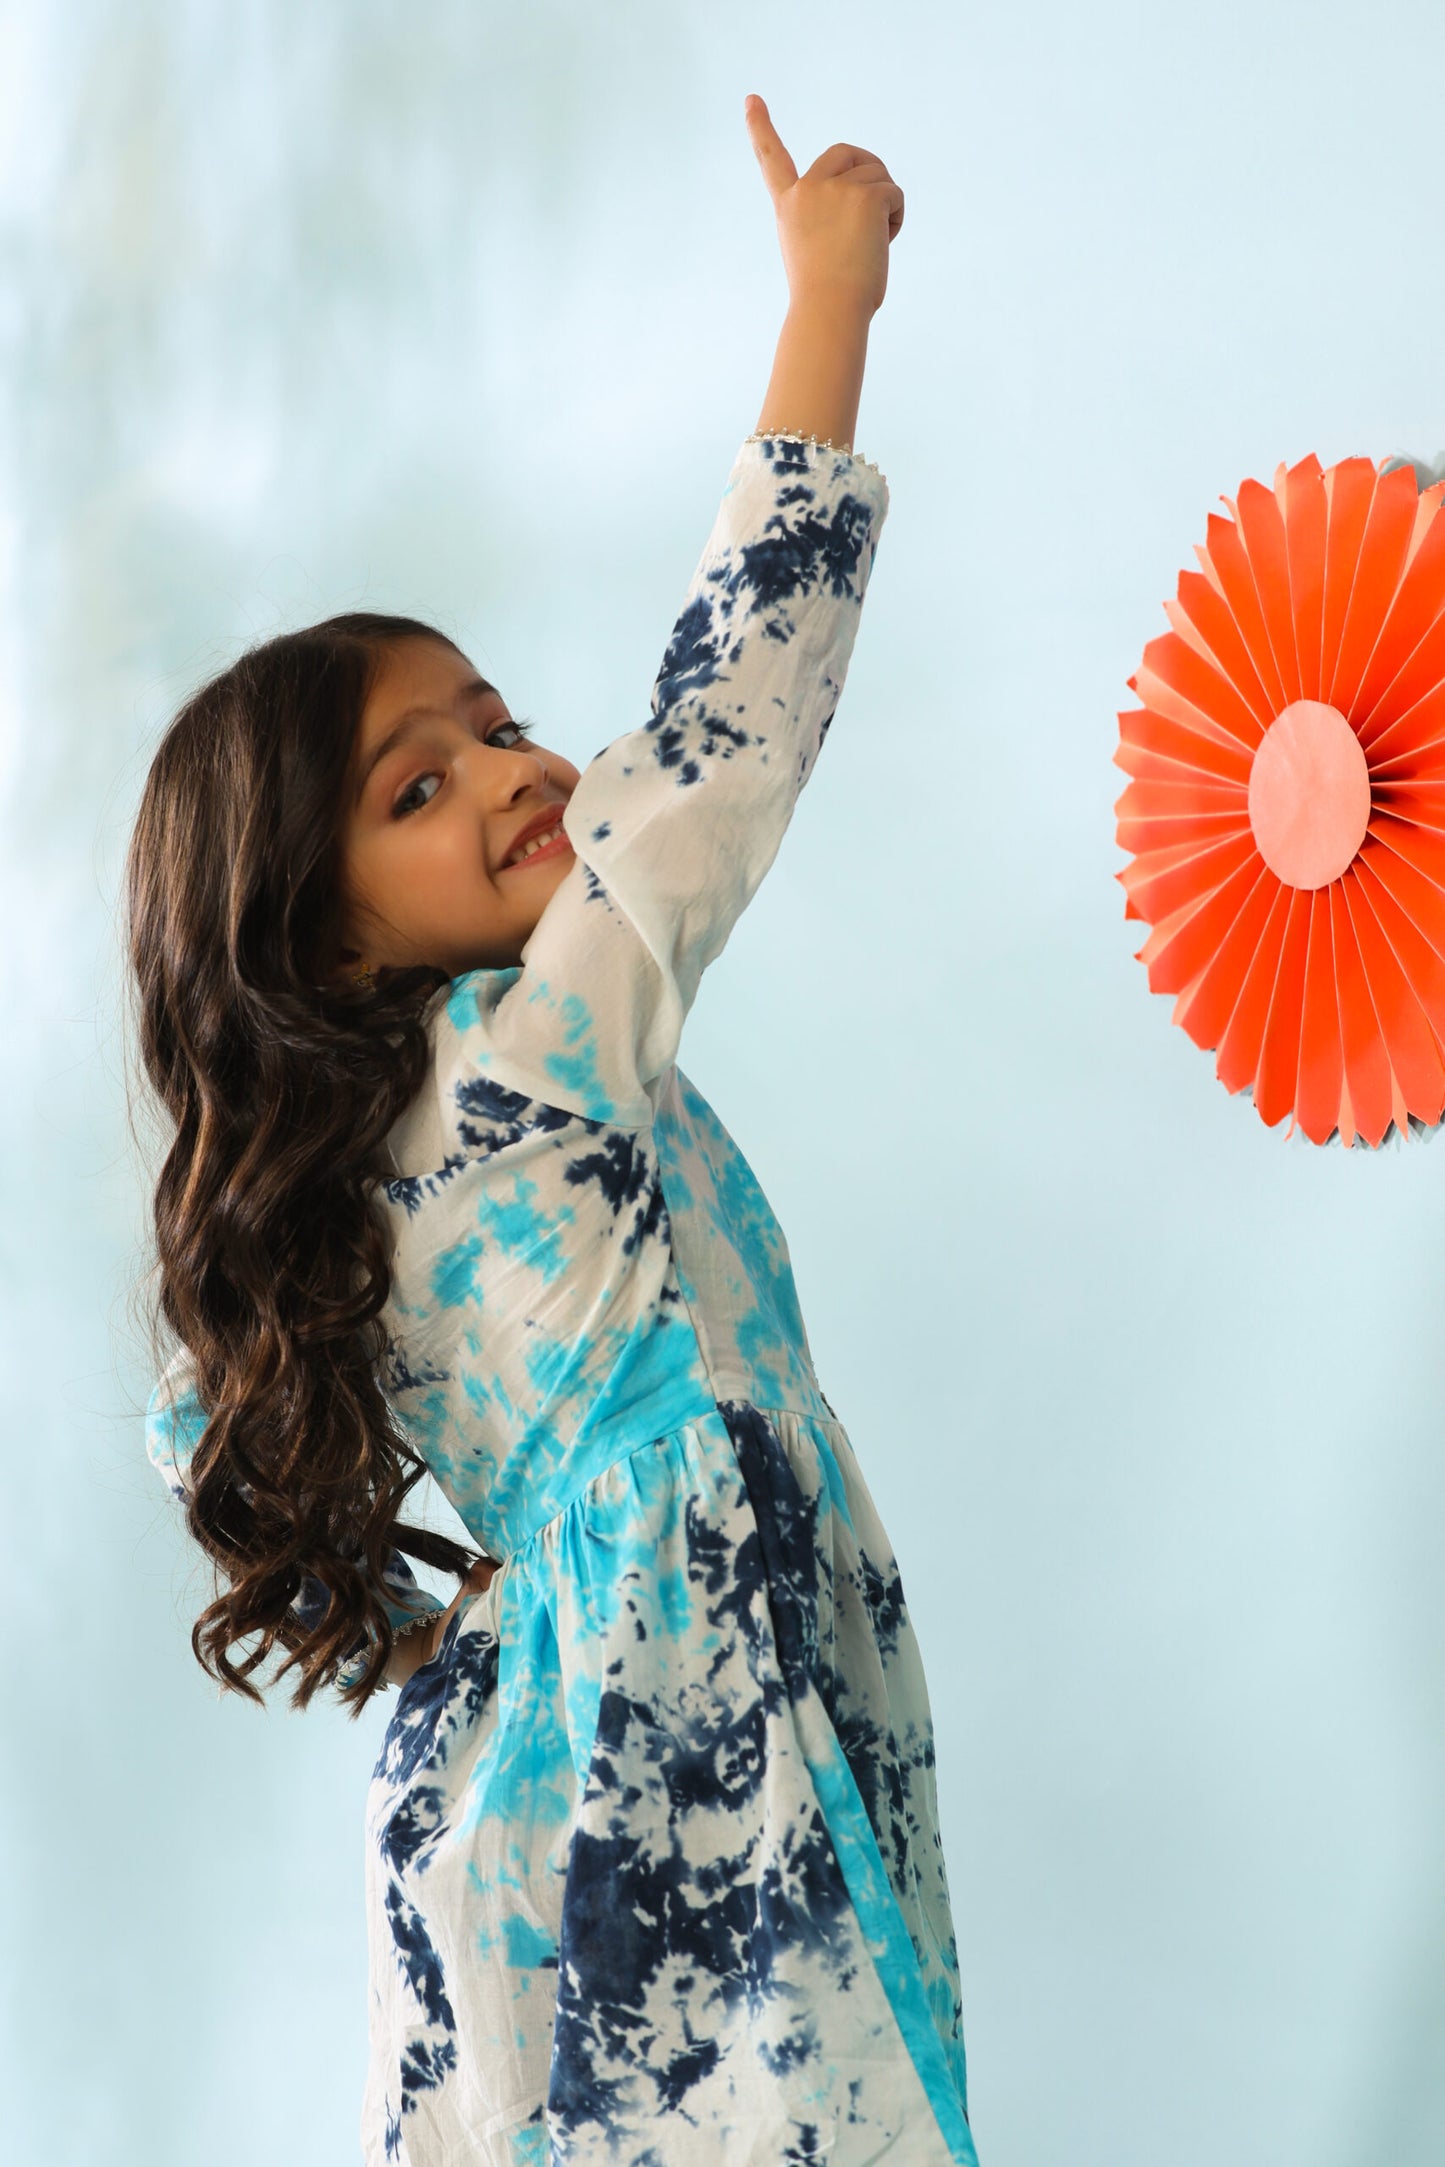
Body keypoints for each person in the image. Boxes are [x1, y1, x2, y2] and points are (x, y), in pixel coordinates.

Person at [132, 91, 978, 2167]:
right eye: (417, 790)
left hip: (555, 1717)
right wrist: (828, 308)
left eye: (497, 725)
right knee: (806, 2098)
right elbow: (722, 731)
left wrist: (483, 1622)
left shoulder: (348, 1186)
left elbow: (197, 1420)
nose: (515, 774)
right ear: (311, 943)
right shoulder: (540, 1045)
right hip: (697, 1666)